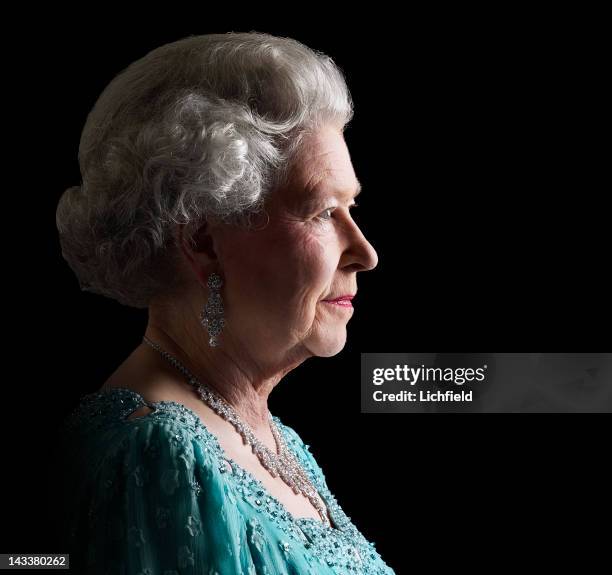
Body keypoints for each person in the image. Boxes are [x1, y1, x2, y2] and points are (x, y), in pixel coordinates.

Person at [55, 32, 394, 574]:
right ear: (203, 240)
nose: (366, 253)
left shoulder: (276, 441)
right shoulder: (159, 451)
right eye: (322, 212)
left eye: (351, 208)